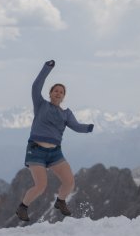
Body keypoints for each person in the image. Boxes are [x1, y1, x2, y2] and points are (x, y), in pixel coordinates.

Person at [16, 60, 94, 221]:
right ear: (50, 93)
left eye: (61, 92)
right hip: (36, 151)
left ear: (64, 97)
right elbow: (36, 85)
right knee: (41, 186)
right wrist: (47, 68)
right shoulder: (40, 105)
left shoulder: (66, 114)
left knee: (69, 182)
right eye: (55, 91)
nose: (58, 93)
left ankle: (60, 201)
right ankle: (22, 207)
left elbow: (76, 126)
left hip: (55, 153)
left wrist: (88, 128)